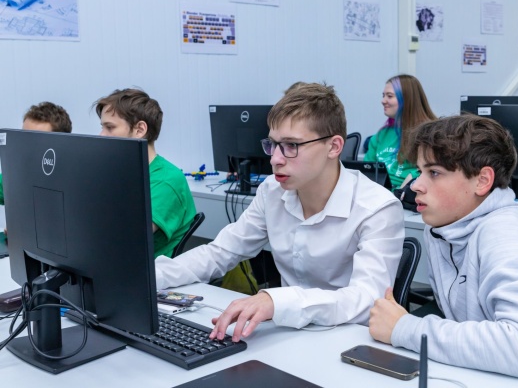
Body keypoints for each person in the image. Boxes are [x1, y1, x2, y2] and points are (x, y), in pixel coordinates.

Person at [155, 83, 404, 343]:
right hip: (287, 335)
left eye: (291, 145)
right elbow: (220, 253)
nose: (275, 159)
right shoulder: (272, 191)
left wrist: (277, 301)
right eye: (273, 144)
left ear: (333, 147)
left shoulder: (377, 208)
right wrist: (149, 278)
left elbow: (367, 299)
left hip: (347, 341)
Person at [369, 114, 518, 386]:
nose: (416, 185)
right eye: (420, 171)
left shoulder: (506, 235)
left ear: (482, 181)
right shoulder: (442, 228)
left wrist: (406, 329)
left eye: (434, 173)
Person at [93, 88, 196, 259]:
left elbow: (124, 237)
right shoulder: (120, 173)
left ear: (140, 129)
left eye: (109, 127)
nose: (101, 135)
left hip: (139, 271)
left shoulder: (167, 182)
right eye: (102, 127)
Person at [363, 74, 436, 190]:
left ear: (407, 99)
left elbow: (432, 170)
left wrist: (402, 192)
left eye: (389, 96)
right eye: (383, 96)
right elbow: (366, 169)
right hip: (379, 193)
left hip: (410, 194)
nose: (383, 101)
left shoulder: (429, 133)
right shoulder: (381, 135)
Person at [0, 101, 72, 206]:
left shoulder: (73, 183)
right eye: (24, 138)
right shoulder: (14, 180)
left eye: (36, 140)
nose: (27, 147)